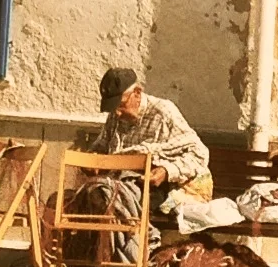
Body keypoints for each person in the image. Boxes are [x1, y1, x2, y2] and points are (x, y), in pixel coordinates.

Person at [90, 67, 214, 204]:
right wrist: (92, 160)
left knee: (119, 199)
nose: (117, 113)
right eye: (113, 108)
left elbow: (199, 153)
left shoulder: (163, 113)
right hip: (118, 185)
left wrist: (167, 171)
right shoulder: (115, 116)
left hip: (155, 191)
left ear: (137, 93)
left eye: (121, 104)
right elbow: (101, 146)